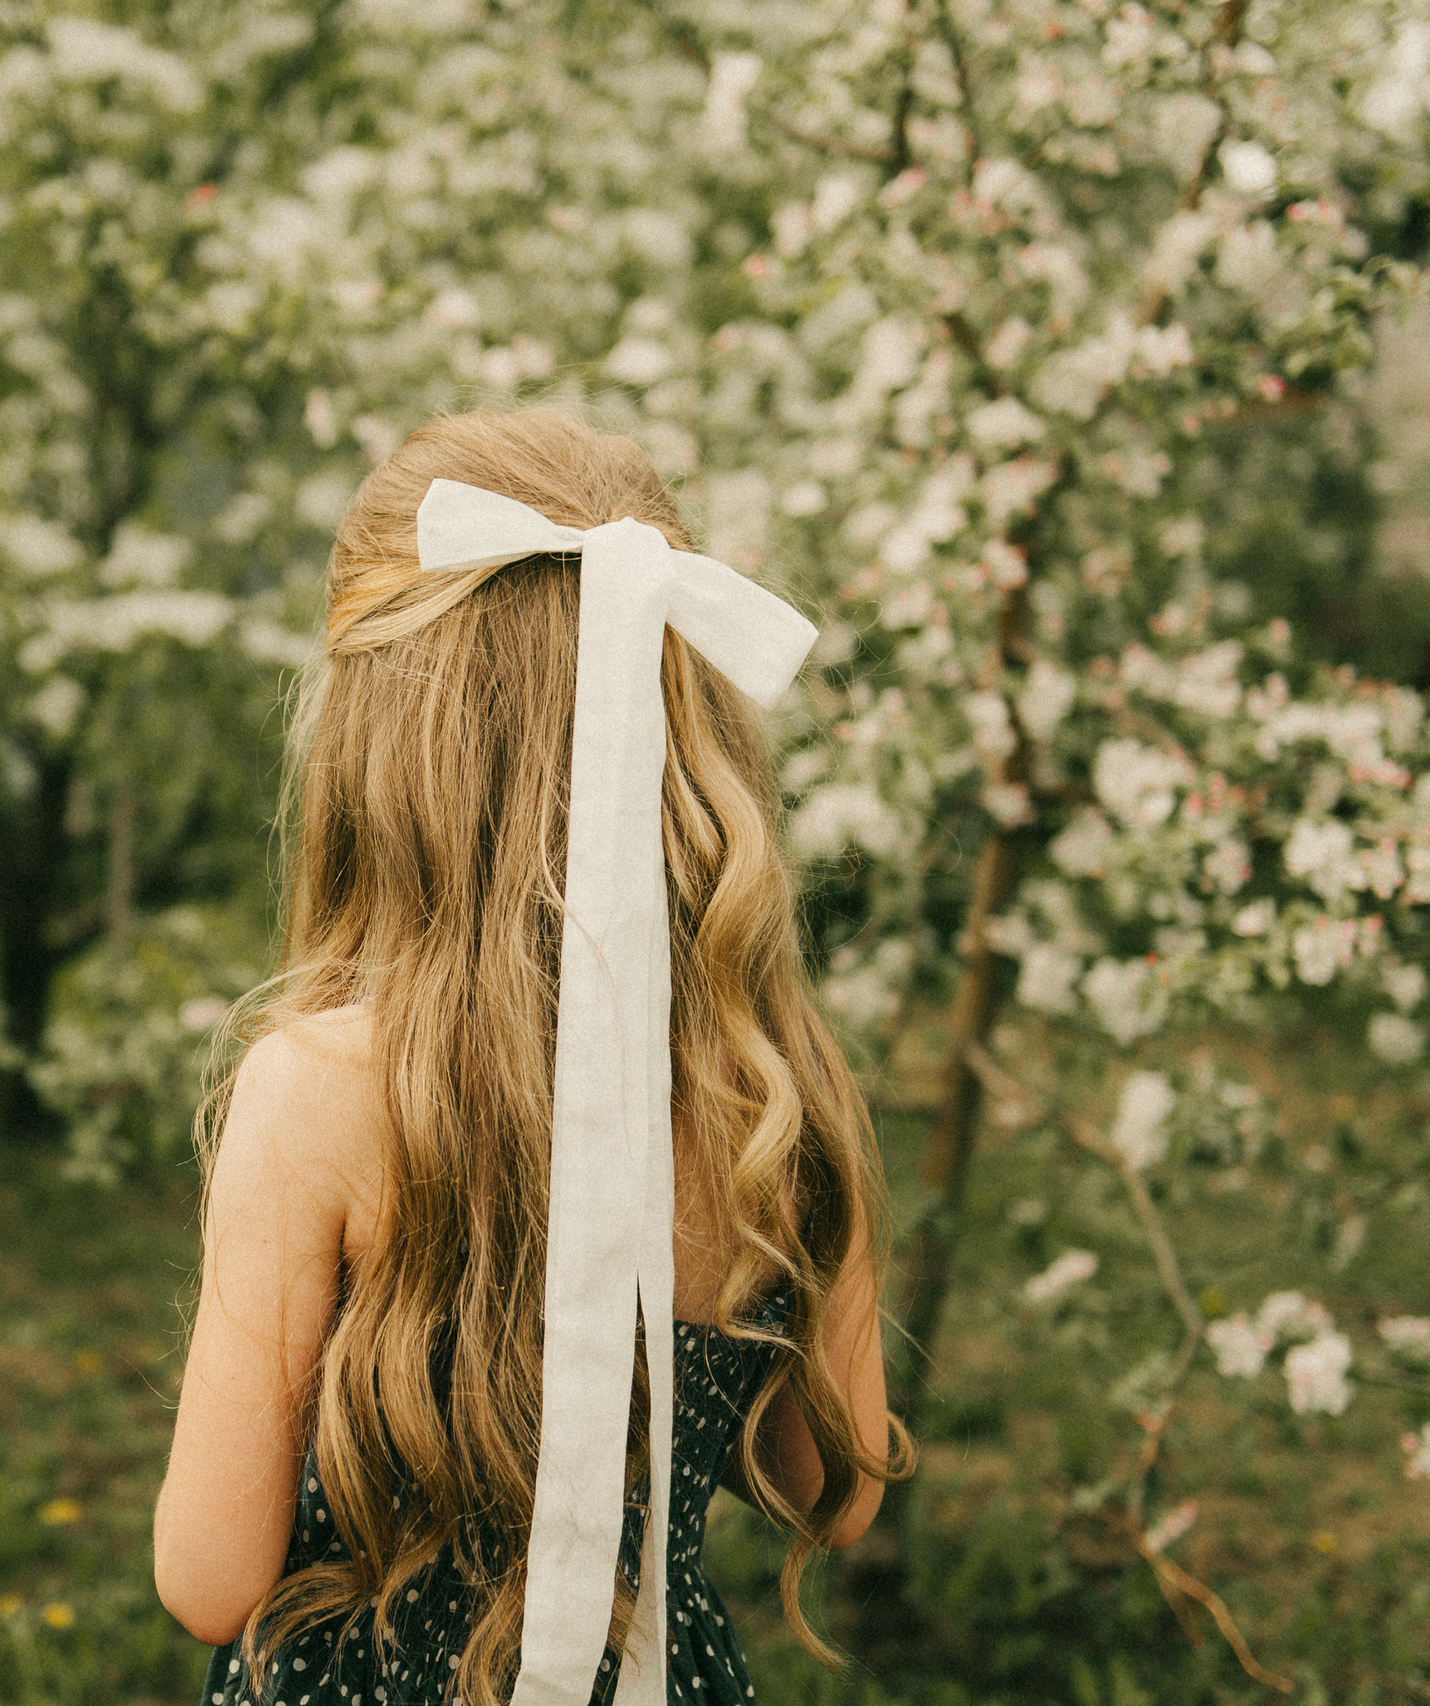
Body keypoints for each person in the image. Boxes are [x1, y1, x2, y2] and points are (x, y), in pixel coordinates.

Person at [152, 409, 907, 1706]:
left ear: (377, 740)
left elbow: (211, 1575)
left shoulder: (317, 1093)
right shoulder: (767, 1088)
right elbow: (830, 1495)